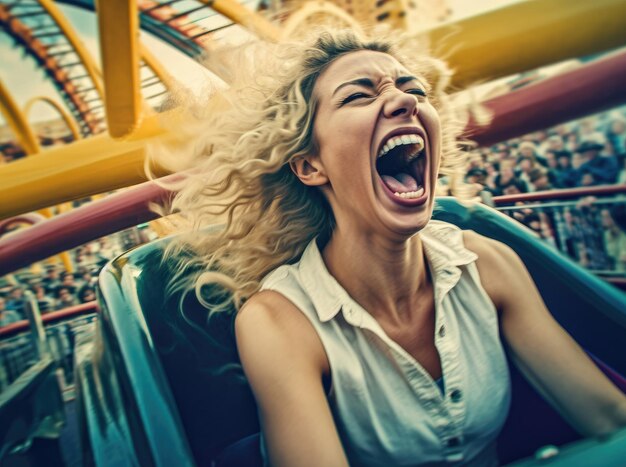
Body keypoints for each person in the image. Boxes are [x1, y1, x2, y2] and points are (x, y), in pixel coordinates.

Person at [153, 30, 626, 466]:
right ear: (309, 165)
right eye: (359, 95)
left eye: (413, 89)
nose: (402, 100)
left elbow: (609, 422)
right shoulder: (277, 323)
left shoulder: (487, 263)